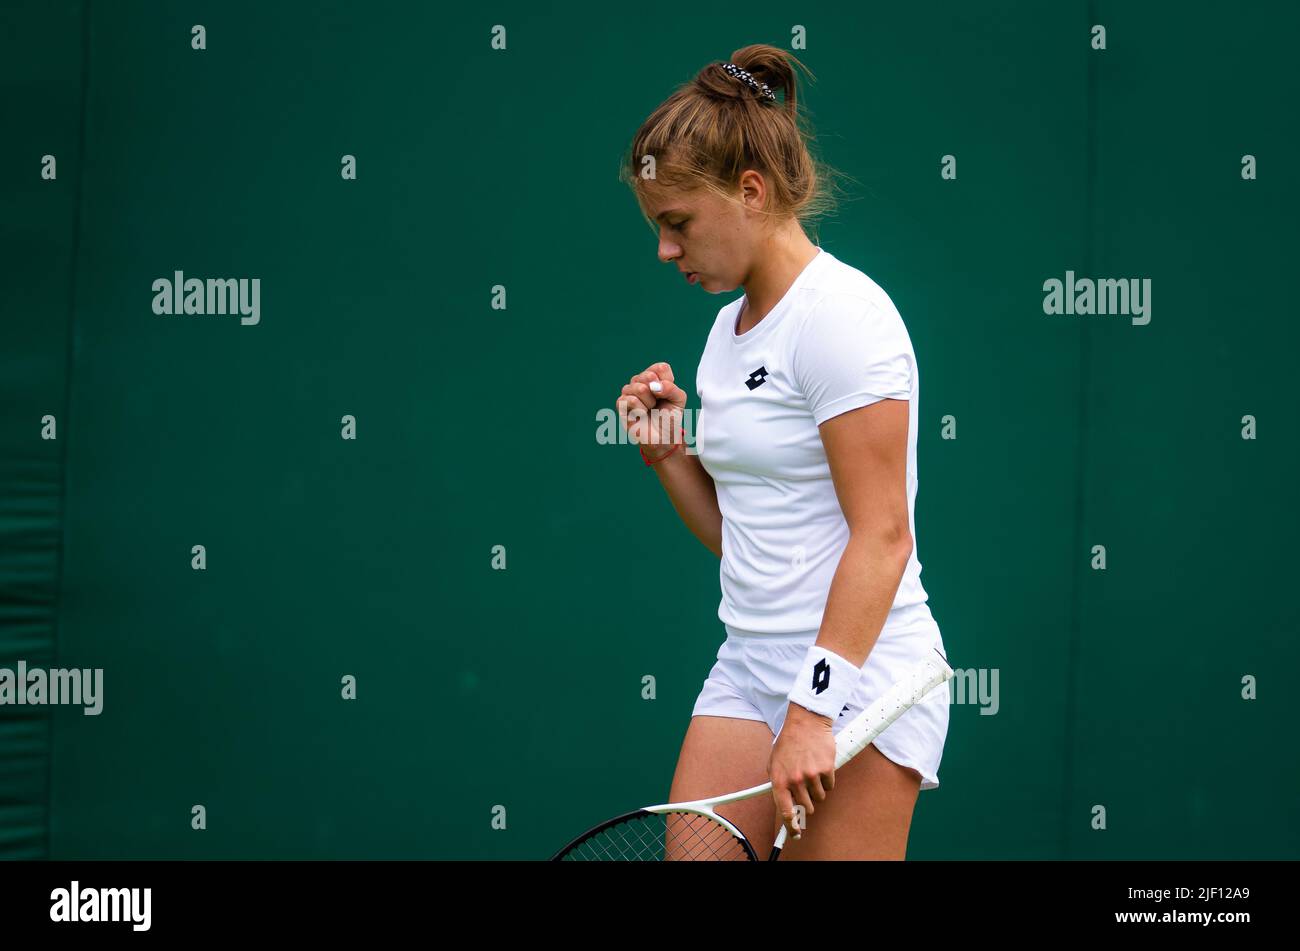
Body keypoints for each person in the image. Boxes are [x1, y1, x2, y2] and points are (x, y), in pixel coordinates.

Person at [615, 45, 950, 860]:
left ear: (751, 192)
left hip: (861, 677)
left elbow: (884, 536)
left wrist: (812, 711)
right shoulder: (725, 334)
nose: (666, 250)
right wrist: (668, 456)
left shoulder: (844, 318)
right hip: (749, 663)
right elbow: (747, 539)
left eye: (677, 222)